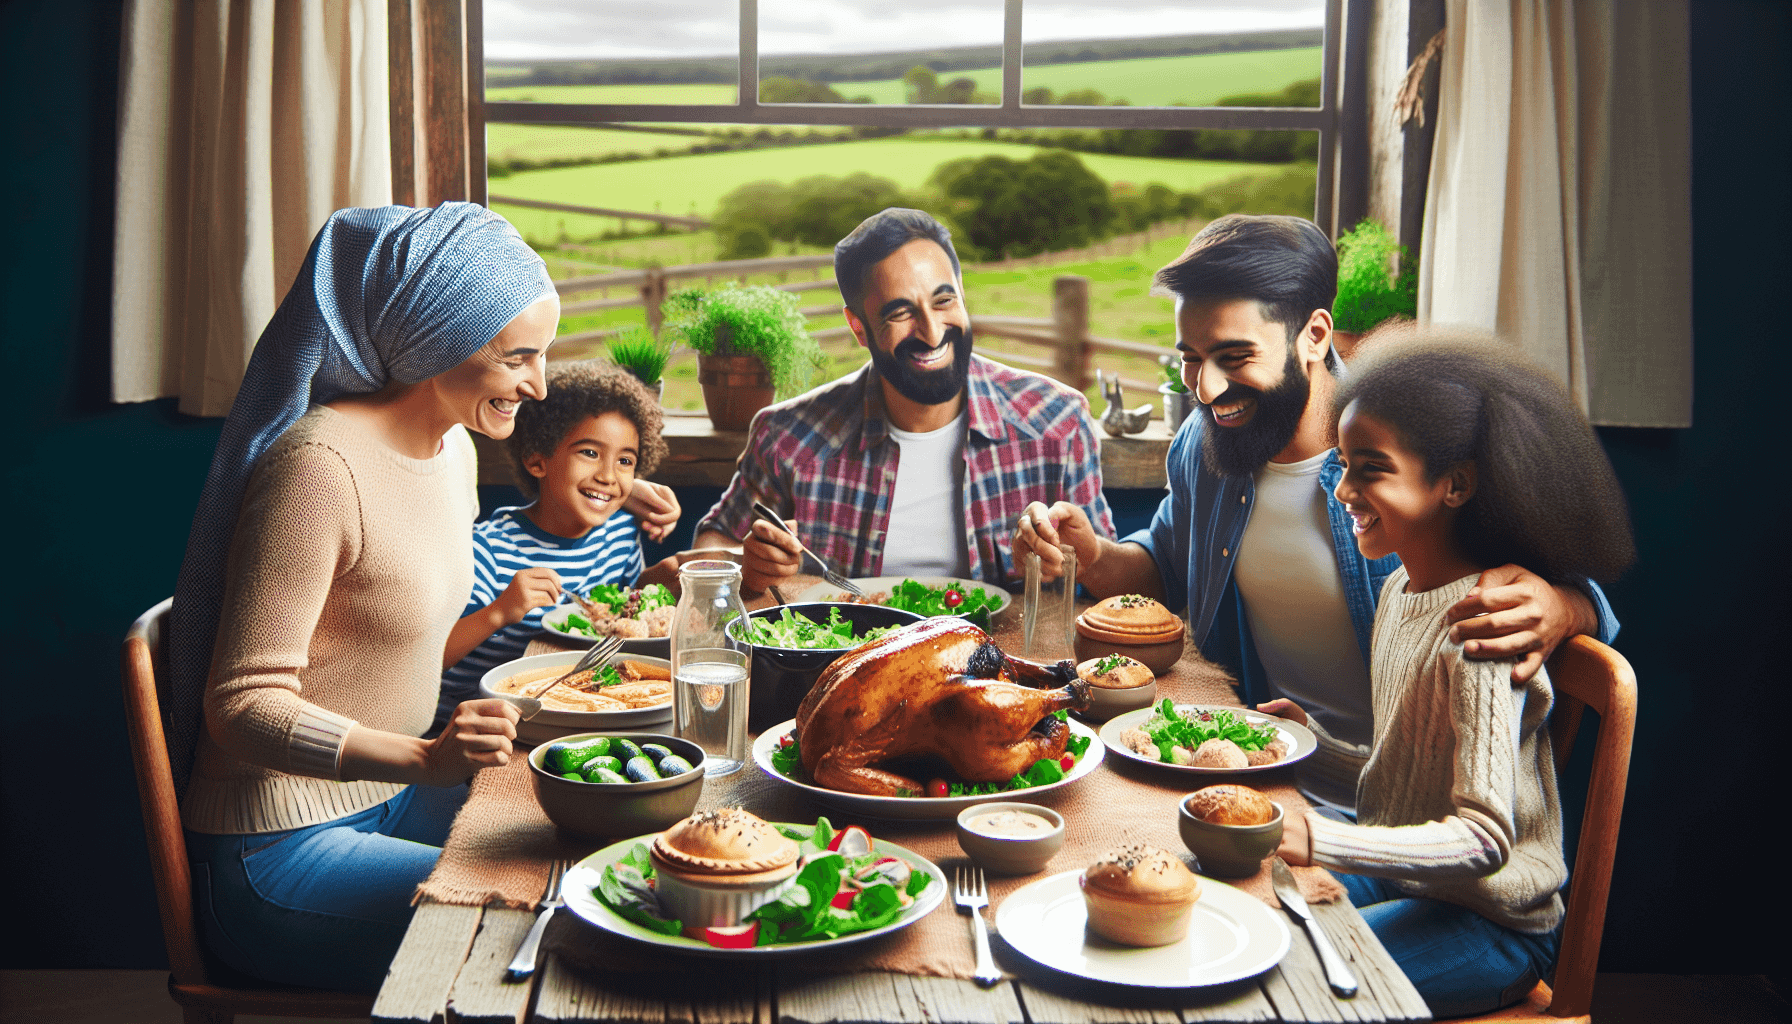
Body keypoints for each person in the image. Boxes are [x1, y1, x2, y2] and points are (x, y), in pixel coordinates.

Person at [1013, 214, 1618, 809]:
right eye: (1191, 358)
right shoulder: (1206, 443)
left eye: (1234, 356)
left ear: (1315, 335)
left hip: (1411, 817)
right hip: (1268, 780)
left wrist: (1565, 607)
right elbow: (1168, 566)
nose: (1206, 389)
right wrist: (1092, 555)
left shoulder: (1418, 451)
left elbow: (1585, 604)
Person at [167, 203, 558, 992]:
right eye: (519, 357)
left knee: (578, 851)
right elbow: (239, 706)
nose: (539, 385)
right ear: (437, 339)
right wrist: (425, 757)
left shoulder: (452, 449)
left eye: (543, 355)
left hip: (393, 798)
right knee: (536, 923)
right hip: (275, 849)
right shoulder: (319, 468)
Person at [1270, 328, 1635, 1017]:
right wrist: (1310, 750)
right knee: (1254, 910)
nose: (1343, 489)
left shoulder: (1482, 629)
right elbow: (1406, 785)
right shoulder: (1396, 592)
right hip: (1415, 885)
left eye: (1371, 469)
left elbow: (1484, 840)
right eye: (1343, 464)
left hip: (1490, 926)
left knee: (1292, 981)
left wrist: (1318, 837)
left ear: (1455, 485)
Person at [692, 207, 1113, 592]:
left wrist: (1090, 558)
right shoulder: (787, 436)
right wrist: (744, 564)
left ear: (962, 294)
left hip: (1004, 653)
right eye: (899, 313)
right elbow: (711, 544)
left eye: (943, 300)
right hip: (847, 651)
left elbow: (1118, 585)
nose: (932, 333)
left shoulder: (1058, 421)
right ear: (858, 328)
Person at [433, 361, 672, 733]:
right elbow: (426, 660)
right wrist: (500, 611)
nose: (608, 476)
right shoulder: (490, 551)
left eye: (625, 461)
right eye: (589, 453)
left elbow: (623, 618)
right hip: (469, 729)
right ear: (537, 460)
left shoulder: (620, 536)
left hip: (568, 712)